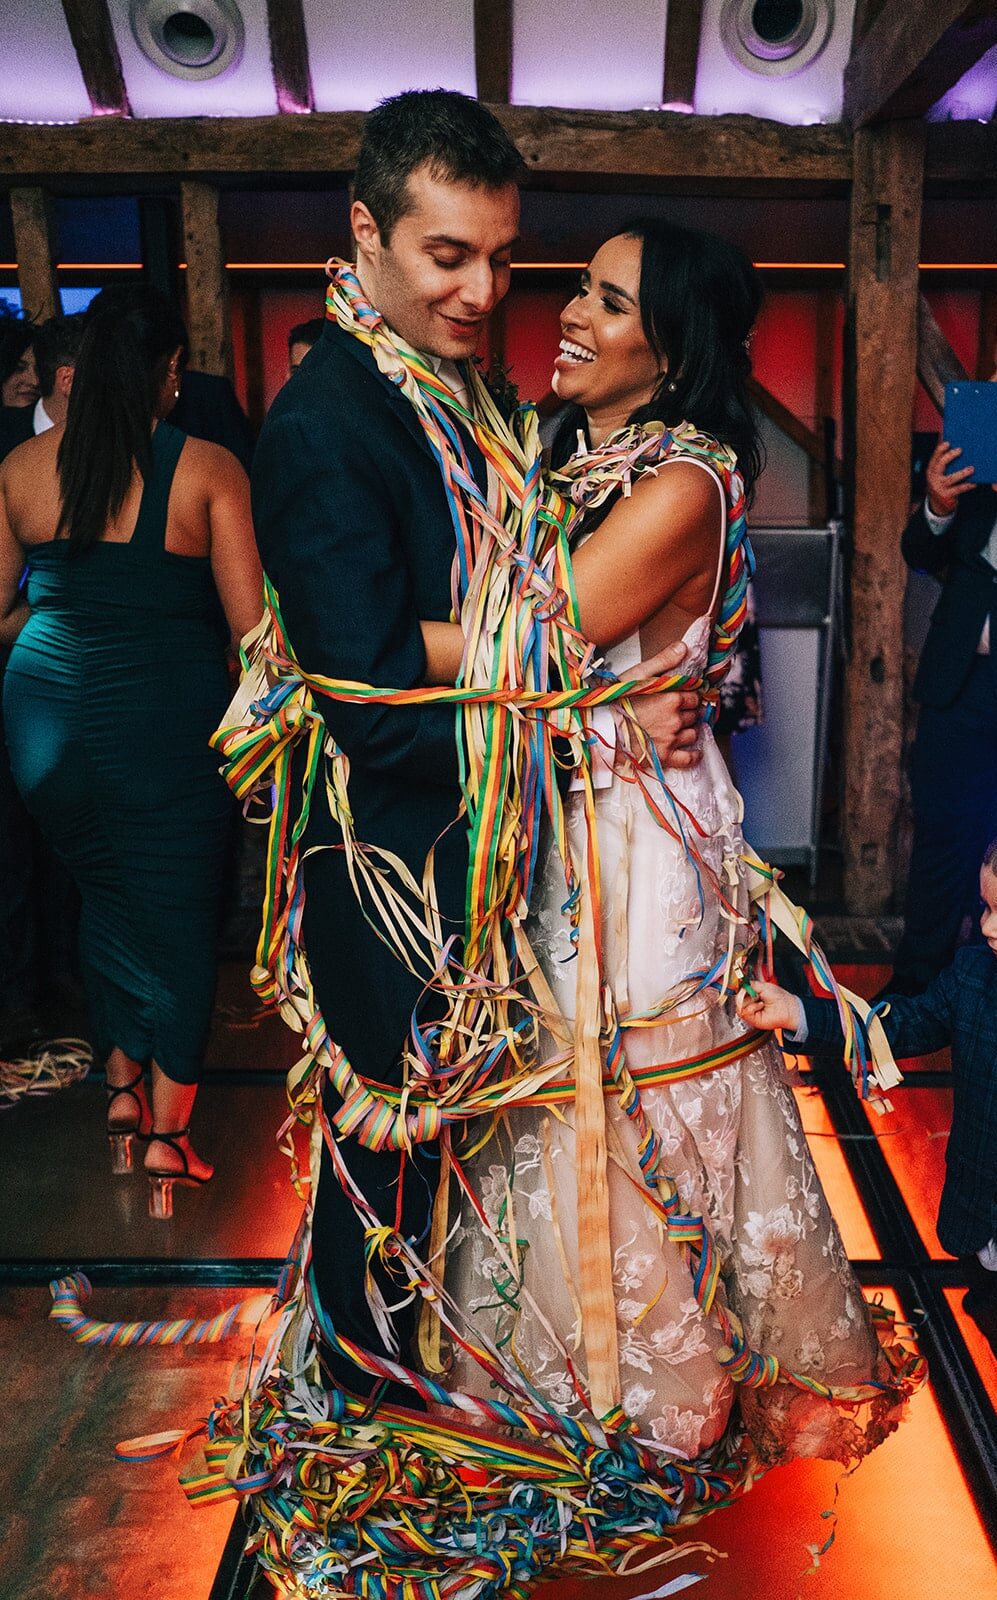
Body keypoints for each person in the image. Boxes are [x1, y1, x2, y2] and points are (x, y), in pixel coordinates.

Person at [420, 219, 910, 1472]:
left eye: (611, 303)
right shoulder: (567, 452)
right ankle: (545, 1356)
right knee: (550, 1071)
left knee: (637, 1081)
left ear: (673, 349)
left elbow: (527, 644)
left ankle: (660, 1388)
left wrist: (346, 639)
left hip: (639, 838)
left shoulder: (682, 481)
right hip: (566, 810)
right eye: (579, 287)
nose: (570, 314)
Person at [248, 90, 699, 1403]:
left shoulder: (447, 389)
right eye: (448, 254)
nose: (480, 288)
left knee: (449, 1161)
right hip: (399, 856)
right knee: (388, 1155)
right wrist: (558, 714)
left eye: (500, 258)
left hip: (480, 852)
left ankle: (418, 1388)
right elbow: (369, 681)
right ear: (366, 235)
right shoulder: (328, 421)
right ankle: (371, 1422)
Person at [0, 286, 263, 1215]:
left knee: (105, 896)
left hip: (42, 718)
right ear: (169, 373)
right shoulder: (207, 469)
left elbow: (0, 612)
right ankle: (169, 1139)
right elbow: (252, 637)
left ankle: (120, 1091)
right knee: (179, 920)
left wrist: (74, 610)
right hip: (165, 721)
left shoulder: (23, 468)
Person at [738, 834, 997, 1293]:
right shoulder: (974, 975)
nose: (988, 926)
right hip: (979, 1220)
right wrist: (798, 1011)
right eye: (985, 908)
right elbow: (896, 1027)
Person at [0, 315, 86, 1051]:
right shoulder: (4, 448)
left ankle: (67, 972)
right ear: (69, 380)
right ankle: (16, 992)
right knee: (9, 843)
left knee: (68, 835)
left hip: (90, 681)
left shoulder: (114, 453)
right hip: (12, 675)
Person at [893, 393, 997, 993]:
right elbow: (919, 554)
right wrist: (937, 504)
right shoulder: (976, 480)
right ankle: (916, 985)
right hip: (957, 684)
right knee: (939, 835)